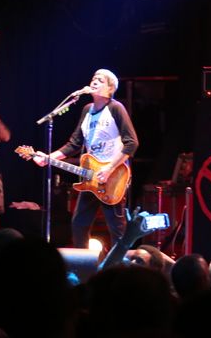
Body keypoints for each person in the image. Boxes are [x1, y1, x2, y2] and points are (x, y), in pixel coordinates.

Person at [34, 69, 139, 248]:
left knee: (116, 228)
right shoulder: (87, 111)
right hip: (91, 177)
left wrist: (109, 169)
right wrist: (48, 158)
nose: (94, 81)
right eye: (93, 79)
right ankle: (83, 261)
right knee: (79, 224)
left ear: (110, 88)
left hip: (113, 176)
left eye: (100, 80)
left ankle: (119, 262)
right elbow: (74, 144)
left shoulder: (115, 108)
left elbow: (132, 143)